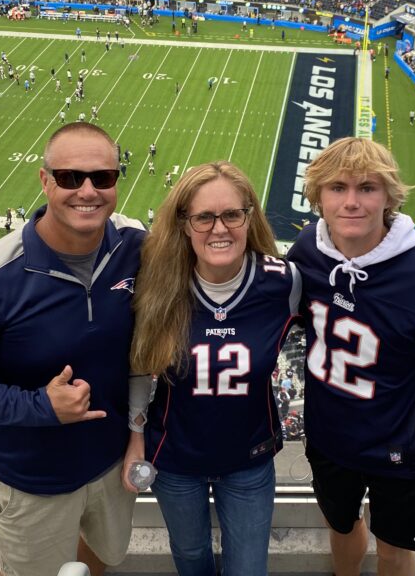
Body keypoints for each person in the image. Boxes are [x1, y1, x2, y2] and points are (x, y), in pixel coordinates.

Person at [0, 123, 145, 576]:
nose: (88, 191)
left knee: (103, 555)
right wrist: (41, 406)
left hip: (112, 461)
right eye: (70, 177)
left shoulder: (135, 244)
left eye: (102, 177)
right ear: (45, 181)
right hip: (33, 477)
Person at [287, 137, 415, 576]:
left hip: (401, 445)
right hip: (329, 437)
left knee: (395, 549)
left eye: (367, 188)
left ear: (389, 197)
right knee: (341, 526)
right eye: (338, 188)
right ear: (318, 196)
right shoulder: (307, 250)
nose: (351, 202)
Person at [124, 161, 300, 576]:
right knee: (190, 555)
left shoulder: (284, 283)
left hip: (249, 456)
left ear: (249, 217)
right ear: (184, 224)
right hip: (174, 455)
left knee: (249, 568)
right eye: (204, 217)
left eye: (232, 214)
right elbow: (139, 364)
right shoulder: (159, 284)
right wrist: (135, 436)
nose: (219, 228)